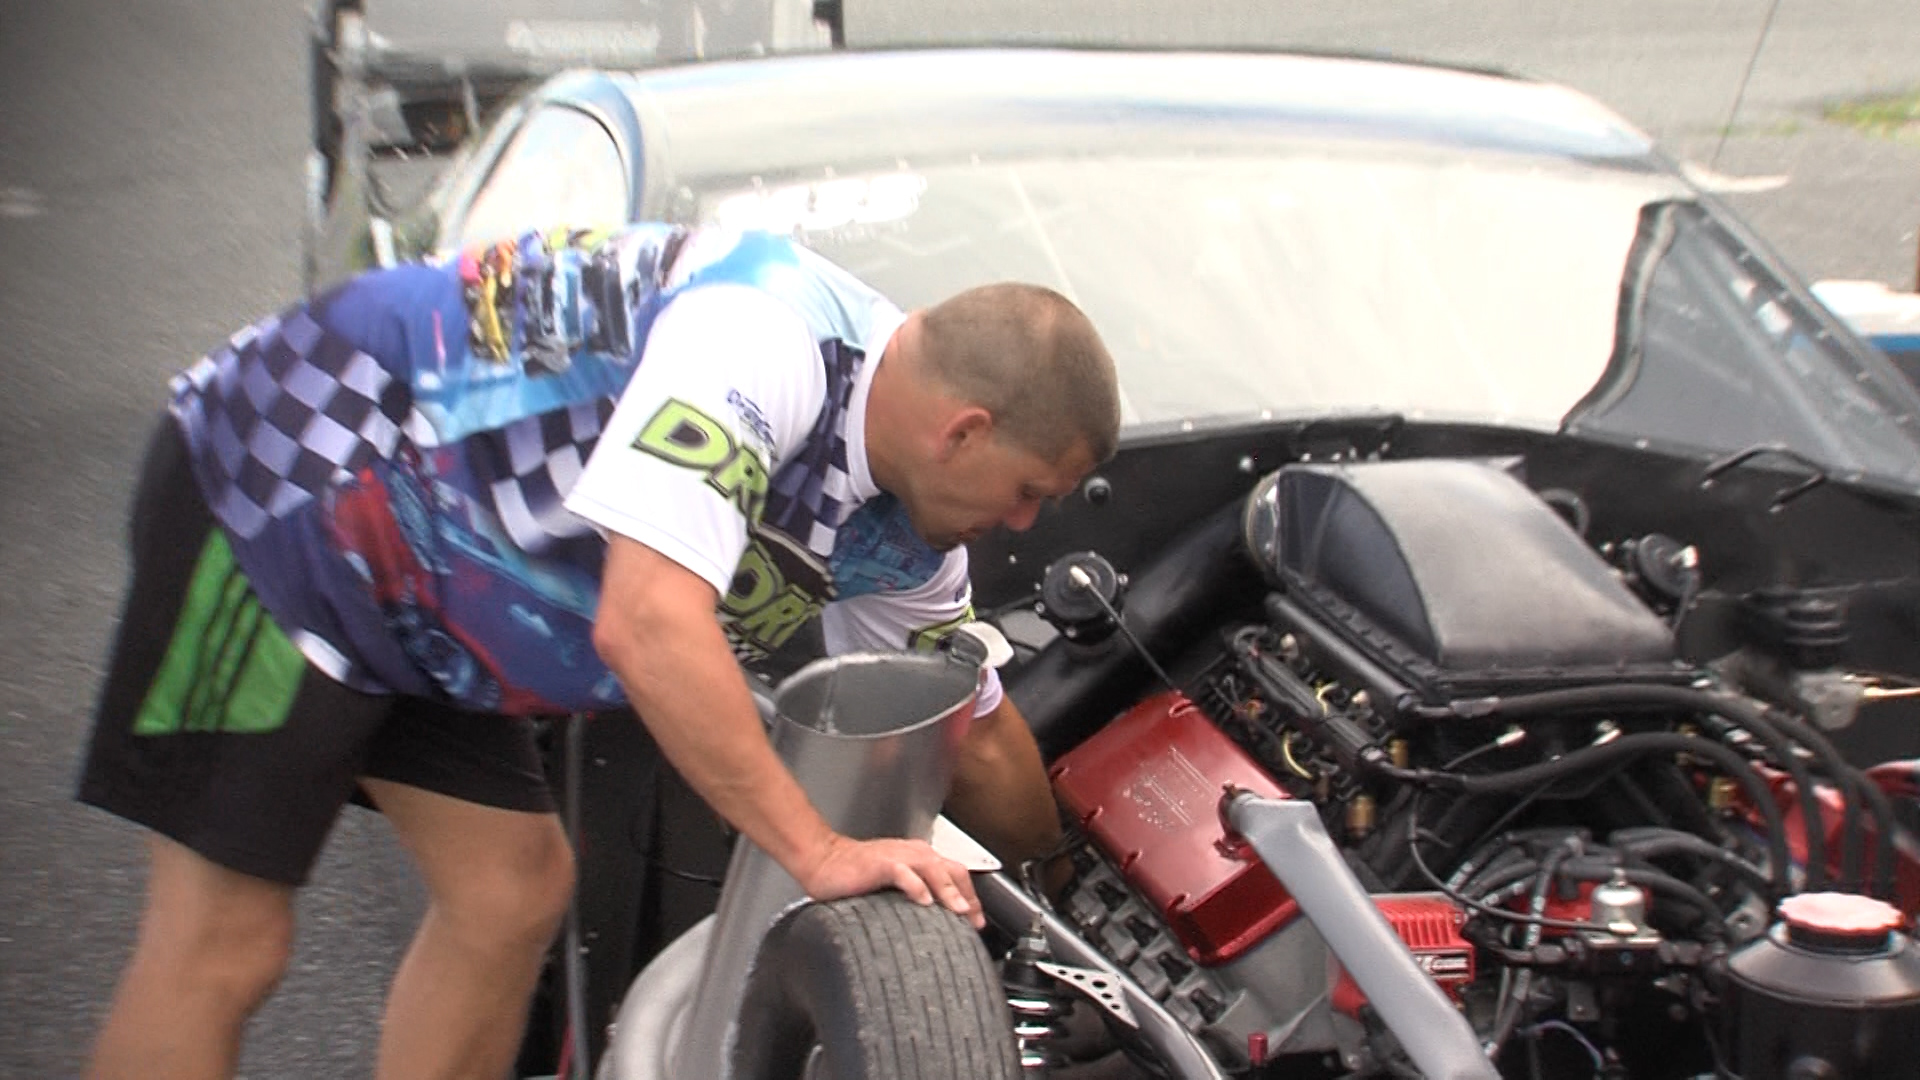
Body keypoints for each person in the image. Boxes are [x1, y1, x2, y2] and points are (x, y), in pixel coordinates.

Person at [76, 222, 1122, 1080]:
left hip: (436, 588)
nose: (1026, 525)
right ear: (963, 431)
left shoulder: (908, 532)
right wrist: (818, 850)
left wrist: (1073, 888)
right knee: (225, 944)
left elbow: (971, 735)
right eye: (1029, 491)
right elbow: (648, 624)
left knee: (511, 893)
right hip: (285, 490)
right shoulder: (762, 340)